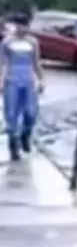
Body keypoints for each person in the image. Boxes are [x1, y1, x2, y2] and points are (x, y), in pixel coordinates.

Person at [0, 13, 43, 162]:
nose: (21, 28)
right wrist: (1, 81)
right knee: (11, 113)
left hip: (28, 80)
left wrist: (41, 79)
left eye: (24, 25)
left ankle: (26, 134)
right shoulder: (7, 42)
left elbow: (36, 62)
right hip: (12, 80)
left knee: (31, 112)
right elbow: (4, 64)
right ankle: (13, 145)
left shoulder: (33, 42)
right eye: (19, 25)